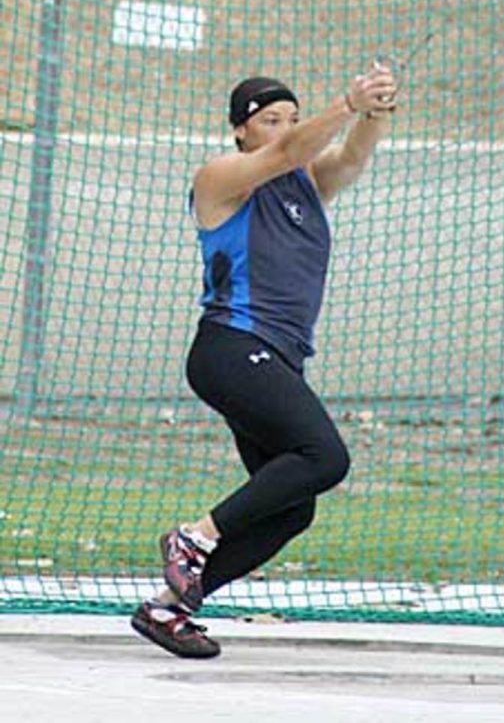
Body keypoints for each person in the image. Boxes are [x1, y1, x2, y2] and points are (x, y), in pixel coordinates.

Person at [131, 63, 398, 658]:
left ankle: (166, 608)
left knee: (291, 508)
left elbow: (349, 157)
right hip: (230, 347)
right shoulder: (220, 179)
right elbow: (289, 153)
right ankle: (192, 538)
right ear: (240, 133)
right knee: (325, 456)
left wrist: (374, 110)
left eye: (292, 119)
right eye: (269, 120)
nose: (284, 129)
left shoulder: (305, 183)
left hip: (273, 357)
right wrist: (344, 103)